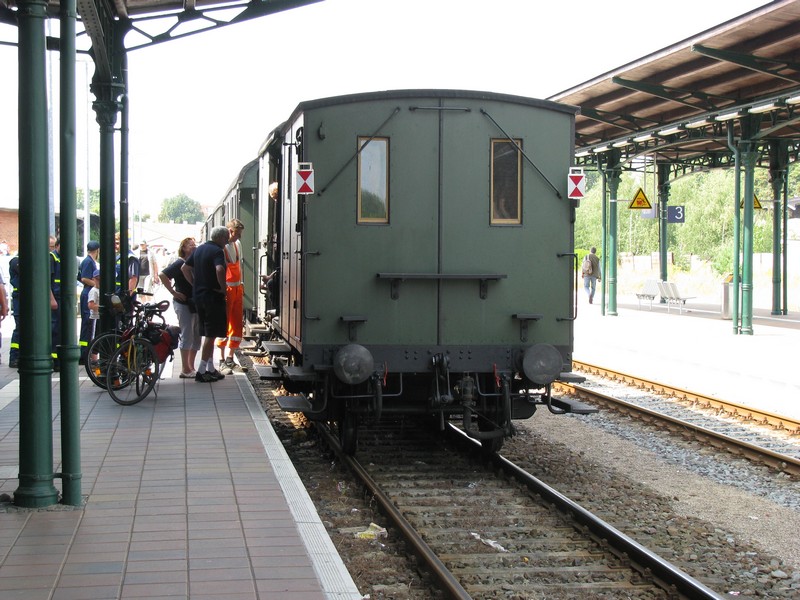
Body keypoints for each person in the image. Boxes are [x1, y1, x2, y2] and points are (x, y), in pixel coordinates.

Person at [181, 226, 229, 383]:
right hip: (212, 298)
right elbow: (220, 269)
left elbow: (185, 268)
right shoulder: (217, 251)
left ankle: (211, 368)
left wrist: (195, 283)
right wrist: (223, 288)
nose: (227, 241)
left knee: (208, 333)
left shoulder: (199, 249)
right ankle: (201, 372)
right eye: (226, 238)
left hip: (199, 297)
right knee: (211, 334)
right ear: (220, 238)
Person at [159, 237, 201, 378]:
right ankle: (185, 368)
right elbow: (163, 275)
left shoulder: (194, 262)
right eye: (190, 245)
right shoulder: (179, 263)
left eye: (195, 244)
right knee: (187, 334)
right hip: (183, 304)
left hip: (194, 303)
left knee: (196, 335)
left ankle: (191, 366)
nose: (193, 246)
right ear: (183, 248)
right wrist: (173, 292)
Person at [216, 218, 248, 375]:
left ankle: (230, 358)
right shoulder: (221, 249)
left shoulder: (237, 245)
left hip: (237, 289)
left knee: (236, 324)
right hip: (228, 290)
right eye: (237, 233)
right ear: (230, 231)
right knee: (223, 324)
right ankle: (221, 361)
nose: (239, 237)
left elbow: (239, 265)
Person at [78, 240, 100, 364]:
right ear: (97, 250)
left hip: (88, 293)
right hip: (87, 294)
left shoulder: (89, 261)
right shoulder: (88, 262)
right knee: (87, 325)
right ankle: (84, 354)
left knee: (89, 325)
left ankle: (86, 353)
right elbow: (84, 278)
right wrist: (97, 285)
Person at [115, 232, 140, 297]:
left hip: (125, 298)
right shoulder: (118, 257)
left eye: (117, 243)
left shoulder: (131, 258)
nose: (115, 246)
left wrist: (127, 297)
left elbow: (133, 279)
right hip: (117, 294)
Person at [49, 236, 61, 370]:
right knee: (55, 329)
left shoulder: (59, 258)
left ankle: (58, 360)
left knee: (60, 330)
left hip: (60, 298)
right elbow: (48, 281)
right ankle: (54, 361)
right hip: (56, 298)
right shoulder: (52, 258)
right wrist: (52, 299)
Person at [8, 254, 19, 368]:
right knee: (20, 328)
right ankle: (14, 357)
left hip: (23, 297)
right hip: (19, 298)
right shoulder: (15, 261)